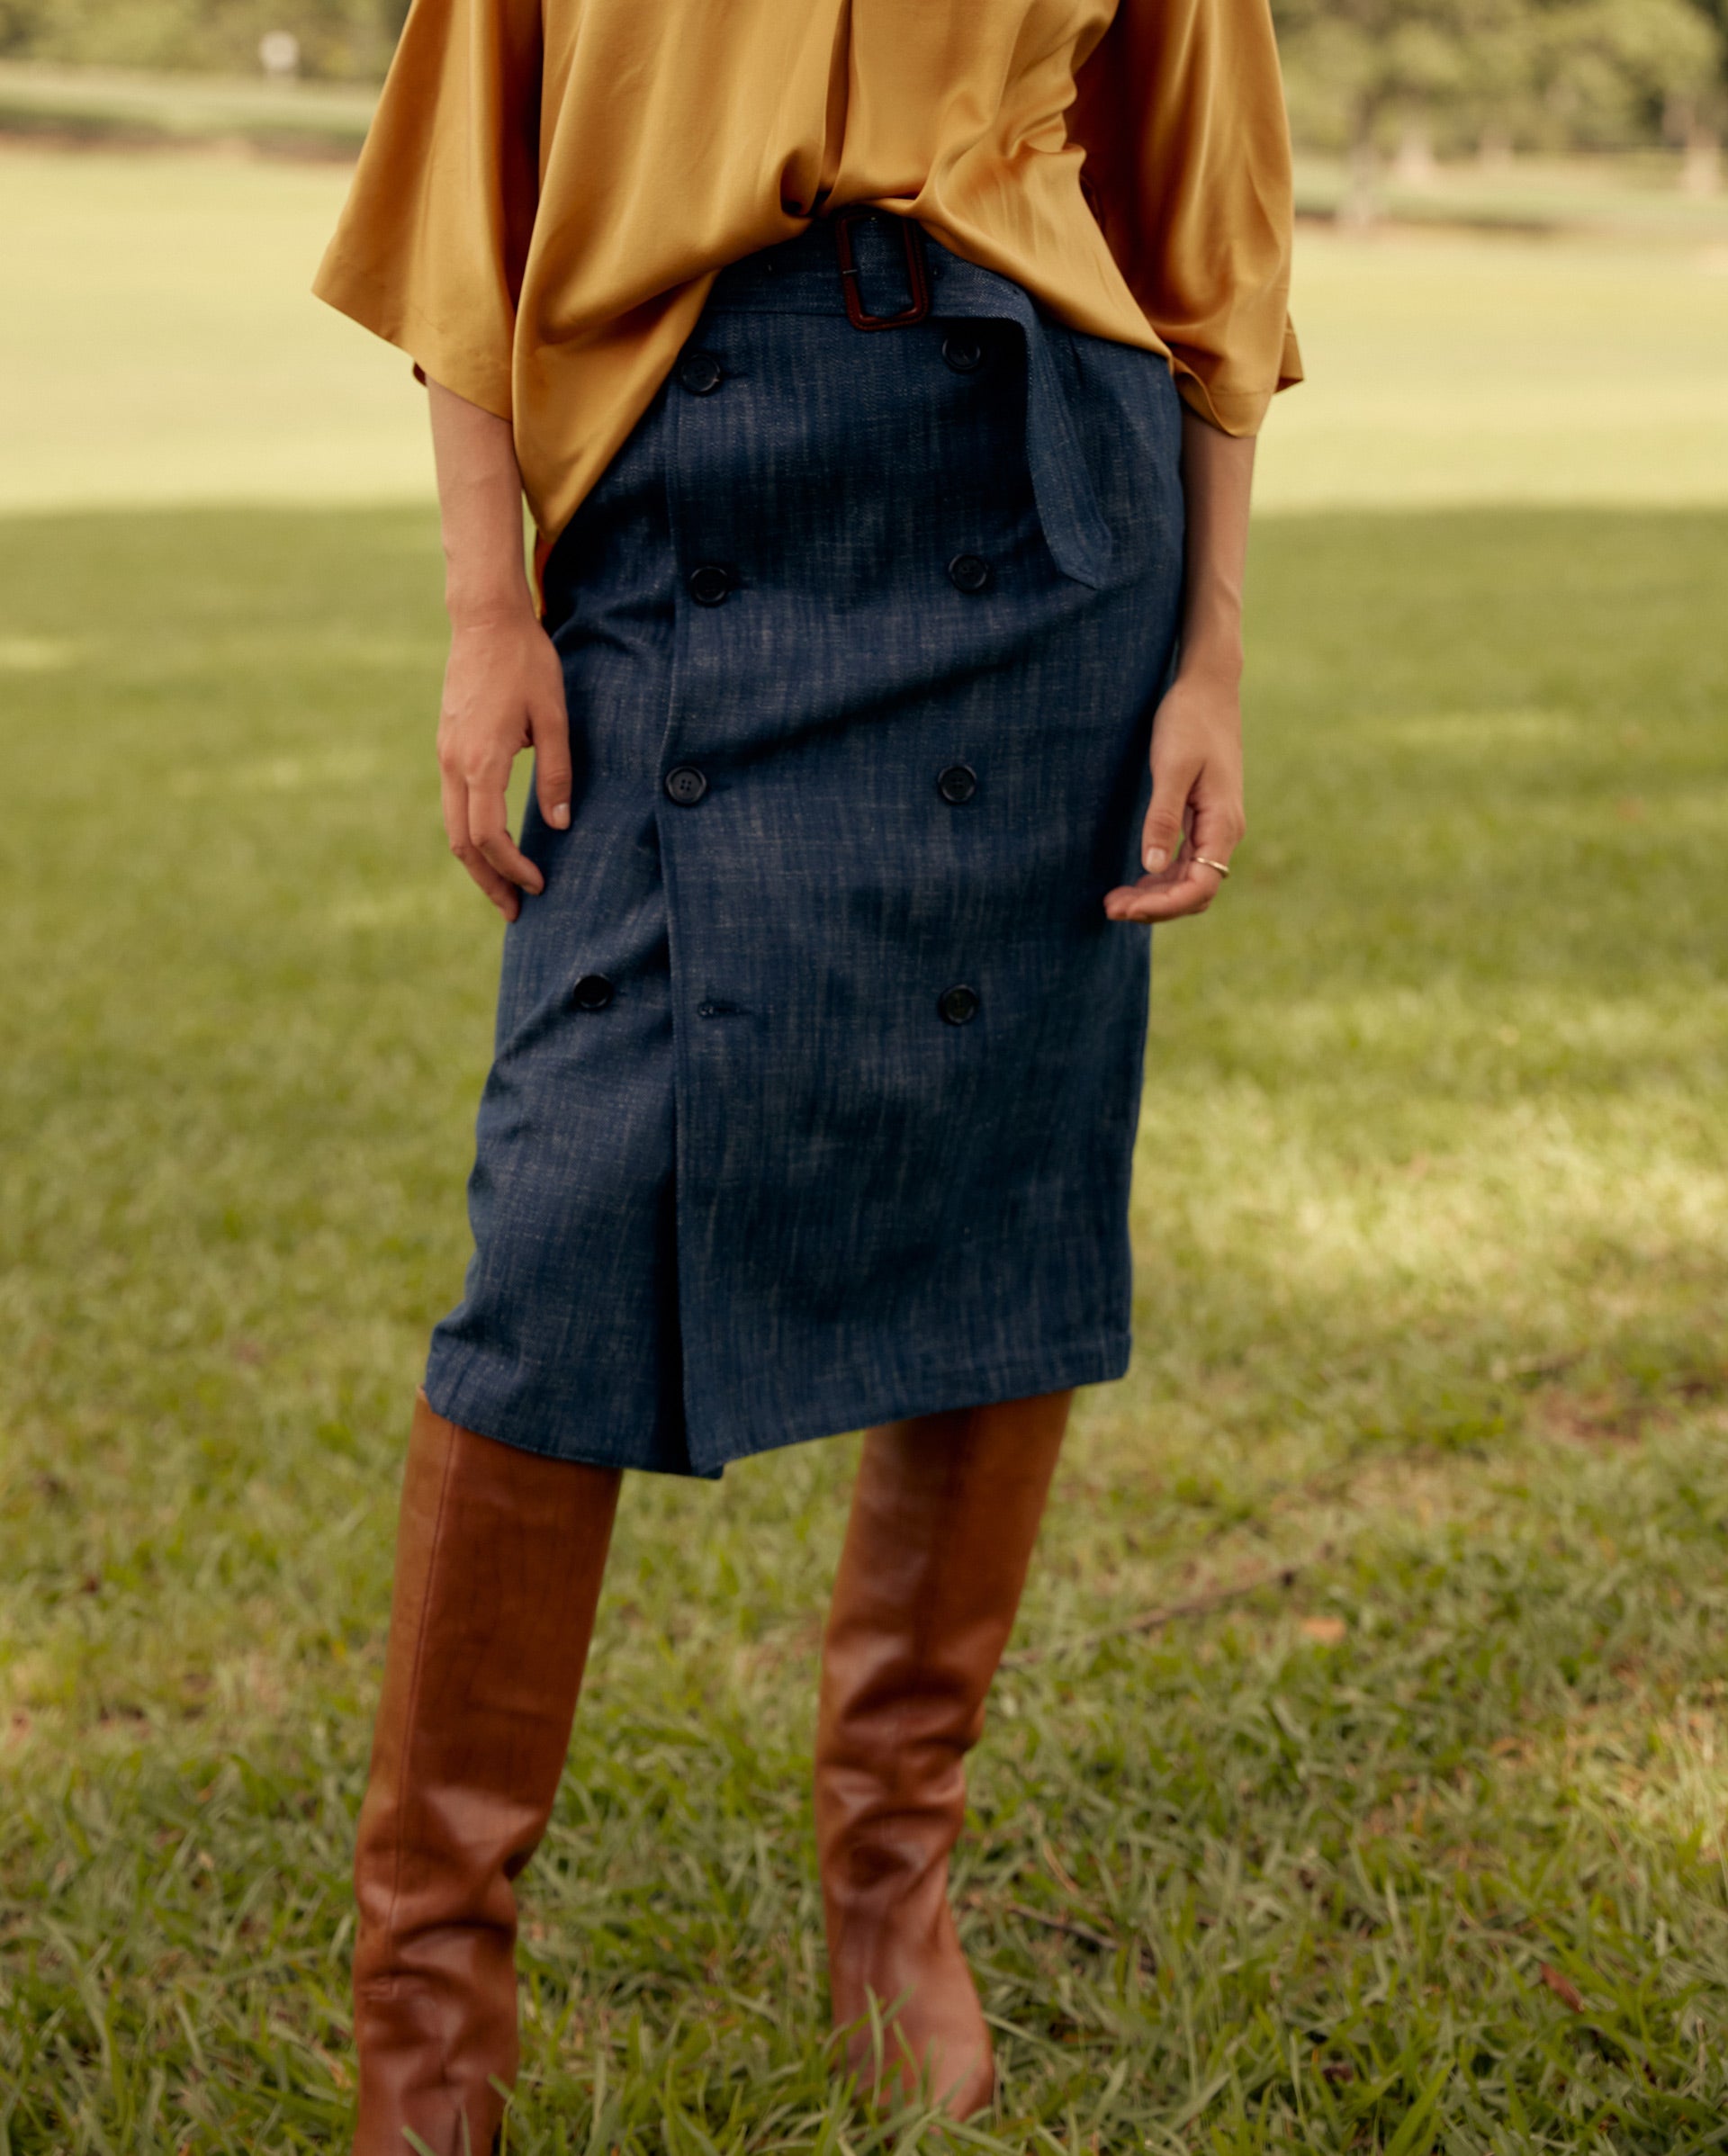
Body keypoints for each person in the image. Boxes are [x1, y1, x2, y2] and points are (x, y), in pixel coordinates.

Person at [315, 0, 1299, 2144]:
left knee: (999, 1184)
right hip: (678, 485)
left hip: (1039, 504)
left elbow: (1210, 238)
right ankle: (430, 1999)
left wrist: (1214, 649)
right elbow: (466, 198)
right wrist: (486, 605)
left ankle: (889, 1886)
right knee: (561, 1222)